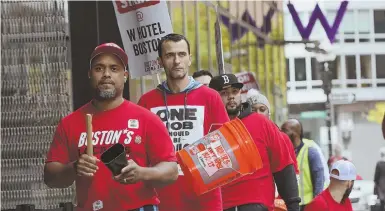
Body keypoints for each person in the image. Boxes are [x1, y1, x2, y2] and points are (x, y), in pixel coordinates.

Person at [44, 43, 178, 211]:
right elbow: (50, 177)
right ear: (89, 74)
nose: (106, 74)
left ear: (125, 76)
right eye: (99, 68)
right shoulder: (70, 123)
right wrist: (74, 168)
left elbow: (172, 171)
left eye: (114, 69)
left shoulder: (147, 119)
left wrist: (142, 173)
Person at [138, 33, 229, 211]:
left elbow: (225, 147)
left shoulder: (210, 97)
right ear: (160, 61)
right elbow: (140, 154)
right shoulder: (147, 102)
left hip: (205, 199)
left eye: (181, 54)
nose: (176, 61)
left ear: (189, 59)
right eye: (170, 55)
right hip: (160, 199)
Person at [209, 74, 300, 211]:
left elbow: (283, 167)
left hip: (257, 205)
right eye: (224, 93)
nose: (231, 96)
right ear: (213, 96)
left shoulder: (261, 123)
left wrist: (293, 206)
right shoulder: (207, 128)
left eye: (235, 91)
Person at [281, 119, 325, 211]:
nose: (281, 133)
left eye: (284, 130)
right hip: (289, 205)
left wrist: (316, 204)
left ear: (295, 134)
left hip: (307, 205)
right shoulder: (283, 151)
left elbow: (319, 180)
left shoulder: (310, 152)